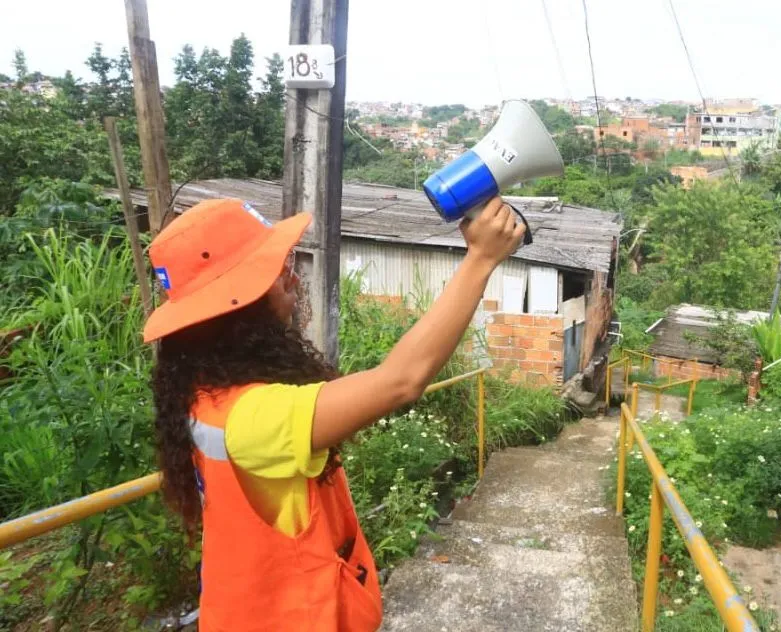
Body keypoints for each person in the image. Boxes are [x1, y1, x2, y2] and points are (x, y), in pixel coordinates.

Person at [145, 197, 524, 632]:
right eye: (273, 267)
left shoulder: (203, 393)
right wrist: (480, 259)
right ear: (236, 302)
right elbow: (401, 381)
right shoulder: (254, 419)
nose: (291, 273)